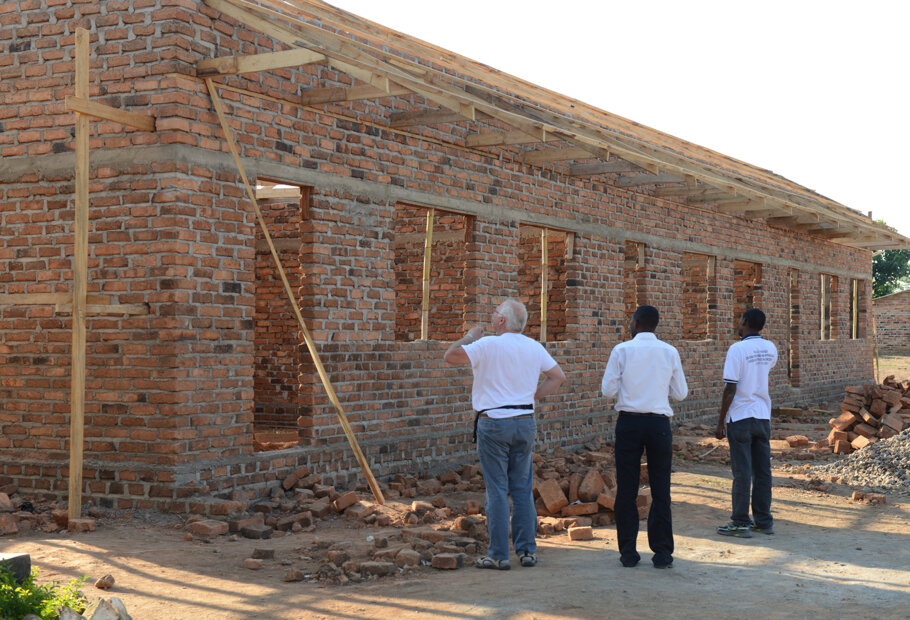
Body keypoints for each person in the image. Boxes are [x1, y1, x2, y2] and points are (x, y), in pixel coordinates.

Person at [444, 298, 566, 570]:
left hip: (494, 422)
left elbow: (450, 356)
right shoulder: (534, 347)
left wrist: (469, 336)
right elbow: (557, 376)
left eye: (496, 312)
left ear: (501, 322)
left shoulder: (487, 344)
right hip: (524, 421)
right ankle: (526, 551)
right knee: (522, 487)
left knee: (497, 489)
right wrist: (533, 396)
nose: (493, 315)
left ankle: (498, 555)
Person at [601, 305, 687, 569]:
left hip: (629, 423)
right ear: (655, 324)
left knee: (627, 488)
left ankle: (628, 553)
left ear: (636, 322)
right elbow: (680, 393)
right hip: (659, 425)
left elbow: (607, 390)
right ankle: (662, 554)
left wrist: (630, 386)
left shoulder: (622, 350)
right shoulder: (670, 352)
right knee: (661, 489)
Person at [715, 307, 778, 538]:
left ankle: (741, 522)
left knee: (742, 471)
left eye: (740, 320)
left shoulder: (737, 349)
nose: (738, 324)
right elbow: (764, 372)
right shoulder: (770, 348)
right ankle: (764, 521)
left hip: (740, 417)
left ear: (745, 322)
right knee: (763, 471)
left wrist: (720, 422)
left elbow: (730, 388)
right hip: (762, 416)